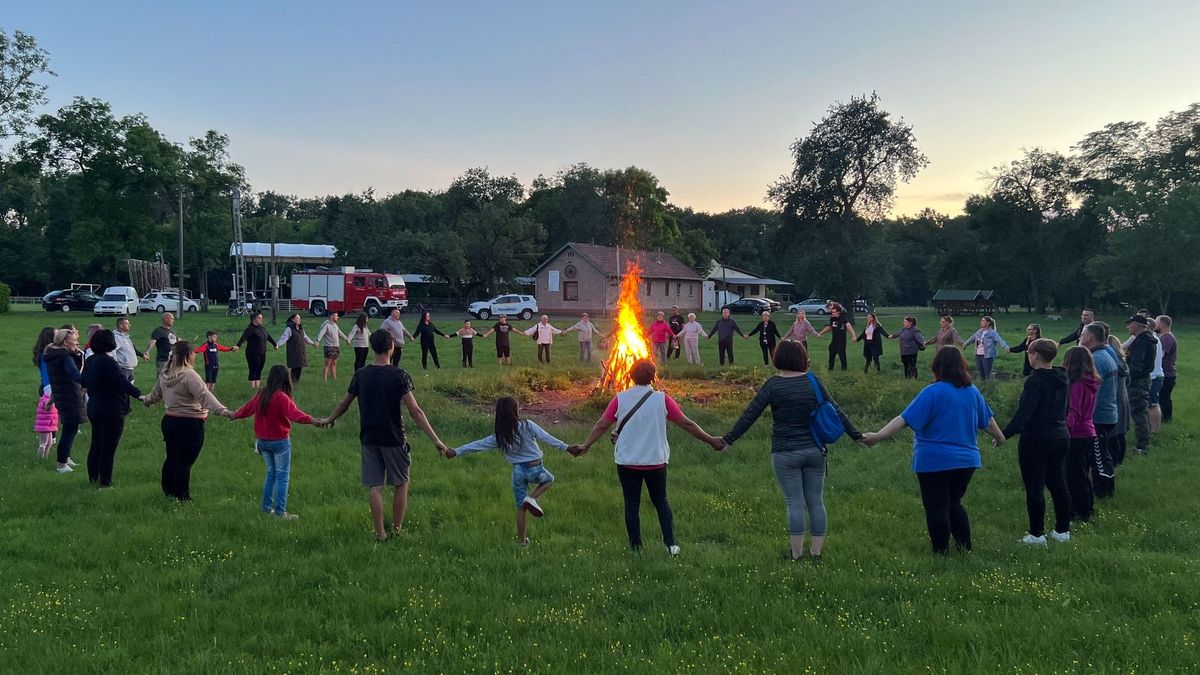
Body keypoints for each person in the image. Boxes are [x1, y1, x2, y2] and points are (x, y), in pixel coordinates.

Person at [721, 341, 863, 561]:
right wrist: (857, 435)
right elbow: (836, 410)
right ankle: (816, 553)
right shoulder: (813, 381)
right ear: (802, 358)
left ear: (778, 358)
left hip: (785, 452)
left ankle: (796, 554)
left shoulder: (773, 385)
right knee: (816, 501)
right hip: (815, 451)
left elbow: (750, 415)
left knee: (794, 503)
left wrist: (728, 440)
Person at [860, 347, 1006, 554]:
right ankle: (965, 548)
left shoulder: (932, 392)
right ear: (961, 366)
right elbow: (988, 421)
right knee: (954, 502)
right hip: (966, 461)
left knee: (937, 506)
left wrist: (878, 436)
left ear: (937, 367)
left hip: (933, 461)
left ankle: (941, 552)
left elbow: (904, 420)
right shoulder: (972, 391)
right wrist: (1000, 438)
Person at [570, 359, 724, 555]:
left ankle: (636, 548)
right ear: (653, 377)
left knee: (631, 504)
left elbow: (602, 424)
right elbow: (687, 424)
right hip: (655, 461)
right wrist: (710, 440)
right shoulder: (663, 399)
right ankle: (670, 545)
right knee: (661, 501)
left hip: (627, 462)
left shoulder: (620, 398)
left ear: (631, 376)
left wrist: (586, 445)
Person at [324, 330, 449, 541]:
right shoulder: (399, 375)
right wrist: (436, 439)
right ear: (391, 346)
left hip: (368, 437)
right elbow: (415, 411)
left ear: (373, 347)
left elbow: (344, 403)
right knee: (401, 482)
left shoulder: (361, 374)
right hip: (393, 437)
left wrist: (329, 418)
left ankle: (380, 533)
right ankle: (397, 529)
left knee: (375, 486)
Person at [443, 397, 573, 545]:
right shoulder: (528, 426)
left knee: (520, 508)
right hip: (535, 467)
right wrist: (566, 448)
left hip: (518, 473)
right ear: (515, 411)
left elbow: (478, 444)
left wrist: (456, 451)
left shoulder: (500, 436)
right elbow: (547, 438)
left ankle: (522, 542)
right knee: (549, 479)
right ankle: (532, 498)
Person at [1000, 338, 1072, 545]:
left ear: (1035, 355)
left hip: (1037, 439)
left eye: (1029, 352)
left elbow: (1024, 414)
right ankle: (1062, 531)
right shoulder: (1062, 376)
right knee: (1058, 483)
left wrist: (1004, 434)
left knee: (1034, 486)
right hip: (1060, 434)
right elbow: (1065, 408)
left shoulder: (1035, 381)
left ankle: (1036, 534)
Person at [231, 366, 327, 520]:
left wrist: (234, 415)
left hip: (263, 442)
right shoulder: (281, 397)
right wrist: (313, 421)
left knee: (271, 474)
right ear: (285, 379)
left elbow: (247, 409)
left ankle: (266, 508)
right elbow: (295, 414)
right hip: (280, 442)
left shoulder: (262, 394)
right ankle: (280, 513)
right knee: (282, 477)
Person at [143, 341, 235, 501]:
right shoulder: (189, 375)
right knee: (185, 461)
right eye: (193, 354)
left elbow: (155, 394)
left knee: (172, 457)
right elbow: (205, 396)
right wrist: (224, 411)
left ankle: (168, 491)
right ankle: (182, 496)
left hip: (170, 421)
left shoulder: (166, 373)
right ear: (188, 355)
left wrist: (146, 401)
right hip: (190, 424)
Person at [80, 330, 143, 487]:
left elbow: (83, 381)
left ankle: (93, 478)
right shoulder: (108, 362)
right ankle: (105, 483)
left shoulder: (90, 360)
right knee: (108, 447)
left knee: (96, 444)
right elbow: (122, 382)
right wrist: (139, 395)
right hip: (111, 408)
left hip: (94, 406)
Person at [1079, 324, 1118, 499]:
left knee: (1099, 456)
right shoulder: (1107, 353)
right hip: (1107, 412)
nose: (1080, 336)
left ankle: (1104, 491)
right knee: (1100, 453)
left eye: (1083, 334)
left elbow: (1090, 390)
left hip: (1098, 416)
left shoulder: (1097, 359)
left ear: (1090, 338)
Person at [1062, 346, 1100, 524]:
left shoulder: (1076, 384)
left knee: (1073, 476)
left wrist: (1065, 432)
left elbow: (1074, 411)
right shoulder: (1091, 381)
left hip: (1076, 434)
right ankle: (1086, 508)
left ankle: (1078, 512)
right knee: (1082, 473)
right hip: (1088, 430)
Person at [43, 328, 86, 474]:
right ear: (65, 342)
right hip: (69, 396)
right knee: (70, 430)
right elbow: (74, 374)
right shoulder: (64, 356)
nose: (76, 343)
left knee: (70, 429)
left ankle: (66, 458)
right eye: (74, 341)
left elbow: (58, 379)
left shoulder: (52, 355)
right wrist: (89, 382)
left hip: (61, 394)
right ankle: (61, 464)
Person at [1123, 315, 1157, 456]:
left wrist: (1129, 375)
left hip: (1137, 381)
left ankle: (1141, 446)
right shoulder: (1149, 339)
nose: (1128, 327)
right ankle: (1143, 442)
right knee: (1140, 411)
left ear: (1137, 325)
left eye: (1130, 324)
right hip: (1145, 379)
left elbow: (1137, 364)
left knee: (1138, 412)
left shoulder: (1141, 341)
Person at [236, 312, 277, 389]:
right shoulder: (250, 329)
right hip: (252, 353)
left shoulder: (261, 328)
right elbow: (243, 338)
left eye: (261, 318)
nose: (261, 320)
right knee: (253, 369)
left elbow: (268, 336)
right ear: (253, 319)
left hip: (262, 352)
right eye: (259, 318)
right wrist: (238, 345)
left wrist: (275, 344)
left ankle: (257, 387)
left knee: (259, 369)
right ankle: (252, 387)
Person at [963, 316, 1009, 381]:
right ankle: (983, 387)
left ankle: (989, 387)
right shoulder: (979, 331)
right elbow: (972, 338)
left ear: (988, 323)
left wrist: (1005, 347)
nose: (981, 322)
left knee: (987, 374)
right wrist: (965, 344)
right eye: (981, 320)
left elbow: (1000, 340)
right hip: (978, 354)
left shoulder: (992, 333)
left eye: (983, 321)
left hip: (987, 355)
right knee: (981, 373)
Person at [275, 313, 318, 383]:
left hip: (301, 352)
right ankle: (291, 383)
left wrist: (313, 343)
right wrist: (278, 344)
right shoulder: (289, 328)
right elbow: (284, 338)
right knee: (295, 368)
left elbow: (305, 338)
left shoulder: (301, 329)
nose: (299, 319)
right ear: (293, 319)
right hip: (293, 352)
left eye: (299, 318)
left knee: (299, 367)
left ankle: (295, 383)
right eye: (297, 318)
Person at [815, 304, 856, 371]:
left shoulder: (844, 319)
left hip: (841, 341)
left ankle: (844, 369)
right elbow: (829, 327)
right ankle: (830, 368)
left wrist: (853, 336)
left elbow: (850, 328)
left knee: (842, 354)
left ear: (838, 312)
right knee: (831, 353)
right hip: (834, 340)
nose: (832, 313)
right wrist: (820, 333)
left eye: (834, 312)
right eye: (832, 312)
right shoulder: (833, 318)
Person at [315, 312, 352, 381]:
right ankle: (324, 380)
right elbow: (321, 333)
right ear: (332, 316)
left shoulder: (335, 325)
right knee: (327, 364)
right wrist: (317, 341)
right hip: (329, 346)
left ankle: (334, 378)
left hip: (336, 346)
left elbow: (340, 333)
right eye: (336, 316)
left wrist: (346, 339)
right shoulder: (326, 325)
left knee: (334, 363)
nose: (337, 317)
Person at [1155, 315, 1177, 423]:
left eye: (1156, 322)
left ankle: (1166, 419)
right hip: (1167, 372)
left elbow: (1160, 355)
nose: (1155, 324)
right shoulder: (1164, 337)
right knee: (1163, 397)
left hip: (1167, 373)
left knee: (1163, 398)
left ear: (1162, 324)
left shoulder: (1166, 338)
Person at [143, 312, 177, 378]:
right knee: (162, 379)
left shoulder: (171, 331)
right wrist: (147, 351)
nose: (173, 320)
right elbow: (152, 342)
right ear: (166, 319)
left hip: (173, 360)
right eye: (172, 318)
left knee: (172, 379)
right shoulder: (158, 331)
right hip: (163, 360)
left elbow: (176, 340)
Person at [1147, 318, 1165, 433]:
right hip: (1155, 376)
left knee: (1153, 405)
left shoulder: (1152, 340)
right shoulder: (1154, 338)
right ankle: (1152, 428)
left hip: (1154, 376)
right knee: (1151, 404)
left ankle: (1155, 430)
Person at [113, 317, 144, 383]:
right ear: (121, 325)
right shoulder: (117, 338)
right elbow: (112, 351)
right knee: (124, 389)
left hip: (130, 369)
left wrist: (142, 355)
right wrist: (116, 364)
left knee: (130, 388)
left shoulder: (125, 336)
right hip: (123, 369)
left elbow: (132, 348)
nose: (129, 325)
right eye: (127, 323)